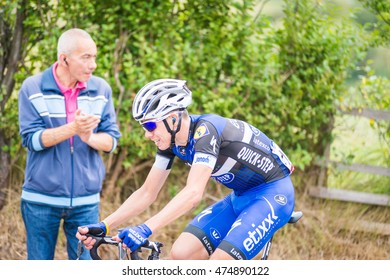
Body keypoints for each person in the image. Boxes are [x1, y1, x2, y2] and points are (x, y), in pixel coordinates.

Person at [77, 78, 295, 260]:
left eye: (150, 126)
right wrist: (105, 225)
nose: (147, 134)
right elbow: (147, 192)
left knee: (221, 264)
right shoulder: (170, 143)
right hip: (240, 197)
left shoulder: (206, 131)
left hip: (273, 196)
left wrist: (145, 228)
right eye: (144, 127)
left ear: (172, 119)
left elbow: (193, 193)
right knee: (181, 254)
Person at [18, 28, 121, 260]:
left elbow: (112, 141)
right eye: (86, 57)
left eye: (94, 57)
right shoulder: (32, 88)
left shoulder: (101, 89)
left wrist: (89, 137)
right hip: (40, 201)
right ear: (64, 58)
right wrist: (74, 128)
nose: (93, 64)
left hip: (87, 202)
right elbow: (32, 140)